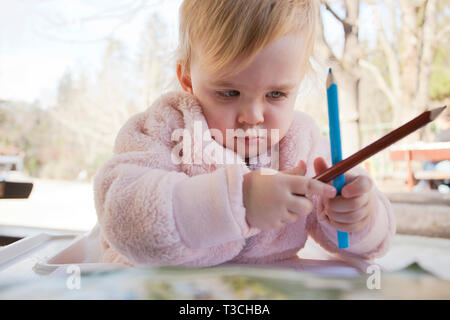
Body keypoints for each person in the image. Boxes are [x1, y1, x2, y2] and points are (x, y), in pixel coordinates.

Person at [92, 0, 395, 268]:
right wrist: (238, 202)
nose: (253, 116)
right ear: (187, 78)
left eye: (276, 94)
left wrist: (359, 218)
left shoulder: (303, 142)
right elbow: (121, 214)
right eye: (229, 92)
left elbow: (365, 246)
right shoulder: (166, 127)